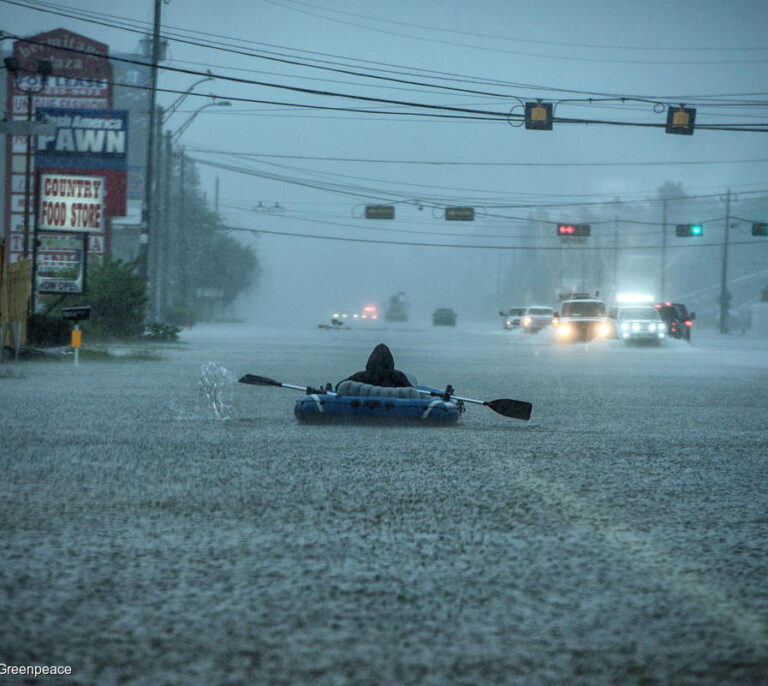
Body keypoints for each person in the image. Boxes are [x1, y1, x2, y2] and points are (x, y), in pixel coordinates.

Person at [335, 343, 413, 390]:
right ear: (390, 360)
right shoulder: (398, 376)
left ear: (371, 359)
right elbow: (412, 392)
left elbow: (339, 386)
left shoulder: (362, 376)